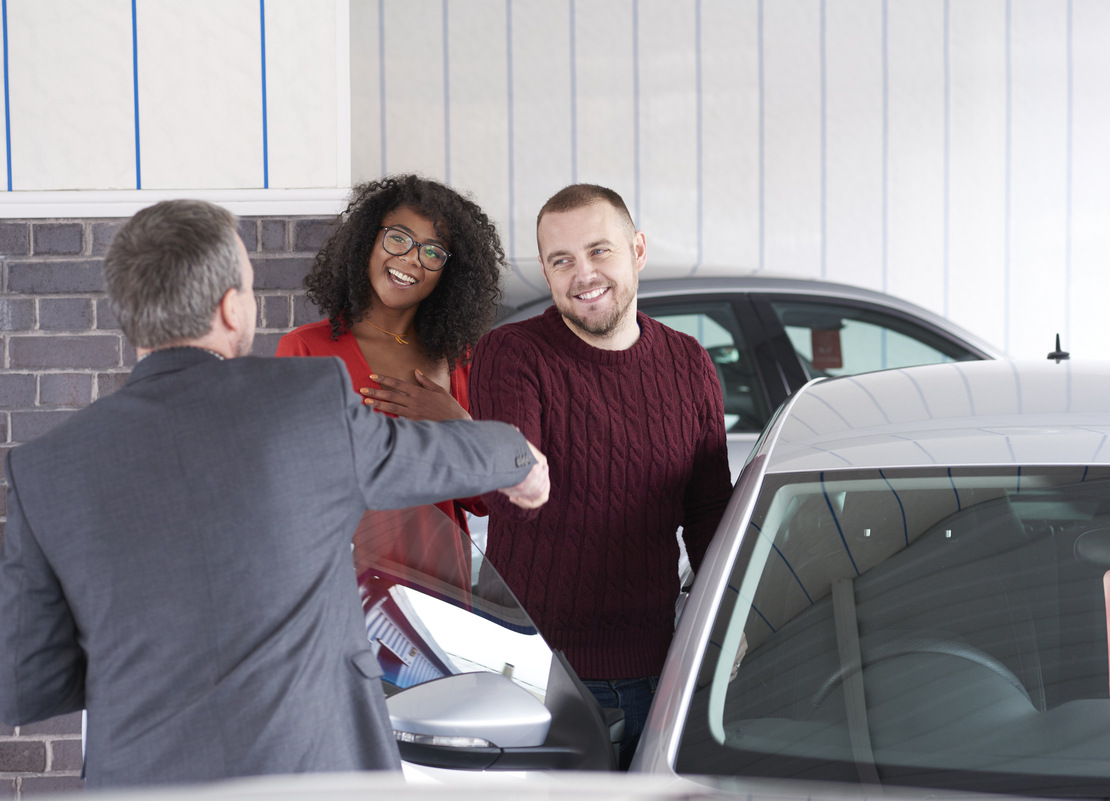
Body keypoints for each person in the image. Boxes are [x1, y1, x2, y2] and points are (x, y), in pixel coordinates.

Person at [0, 199, 549, 789]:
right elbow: (434, 457)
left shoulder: (46, 469)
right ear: (231, 308)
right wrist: (521, 461)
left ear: (130, 314)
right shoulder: (307, 404)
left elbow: (23, 680)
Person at [468, 184, 733, 768]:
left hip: (654, 670)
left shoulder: (689, 362)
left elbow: (710, 509)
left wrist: (728, 623)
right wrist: (513, 465)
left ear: (637, 250)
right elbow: (505, 478)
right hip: (533, 672)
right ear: (545, 270)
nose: (583, 275)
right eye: (561, 260)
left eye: (599, 251)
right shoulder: (511, 353)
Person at [276, 175, 503, 585]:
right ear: (368, 241)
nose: (413, 258)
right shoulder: (305, 350)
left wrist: (459, 427)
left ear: (448, 273)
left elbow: (483, 500)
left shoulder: (460, 361)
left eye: (434, 252)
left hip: (443, 599)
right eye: (399, 239)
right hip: (348, 591)